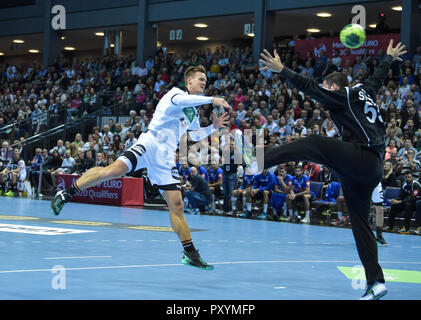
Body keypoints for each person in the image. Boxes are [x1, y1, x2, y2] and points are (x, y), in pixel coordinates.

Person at [257, 39, 407, 299]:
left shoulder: (341, 96)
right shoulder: (364, 92)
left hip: (362, 157)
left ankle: (258, 161)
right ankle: (376, 282)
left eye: (328, 88)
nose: (325, 94)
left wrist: (282, 70)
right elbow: (377, 79)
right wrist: (389, 58)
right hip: (369, 169)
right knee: (360, 225)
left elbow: (310, 88)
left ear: (334, 87)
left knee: (314, 142)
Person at [51, 65, 230, 270]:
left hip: (165, 157)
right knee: (114, 171)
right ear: (188, 82)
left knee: (177, 205)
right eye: (200, 78)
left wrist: (213, 127)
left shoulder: (193, 111)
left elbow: (195, 135)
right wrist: (212, 99)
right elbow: (183, 101)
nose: (204, 82)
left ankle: (190, 253)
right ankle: (66, 194)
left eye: (205, 79)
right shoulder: (175, 94)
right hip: (150, 143)